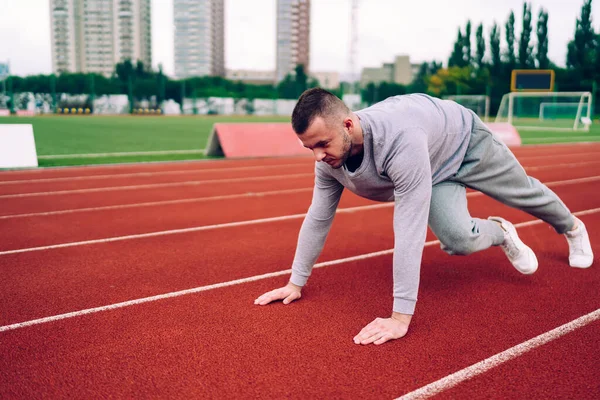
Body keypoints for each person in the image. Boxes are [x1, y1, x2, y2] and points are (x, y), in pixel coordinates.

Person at [254, 88, 594, 345]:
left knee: (524, 193)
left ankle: (573, 227)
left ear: (347, 124)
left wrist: (400, 316)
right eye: (309, 148)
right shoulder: (330, 161)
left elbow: (409, 230)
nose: (317, 156)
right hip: (431, 165)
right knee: (460, 240)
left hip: (463, 142)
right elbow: (318, 217)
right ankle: (502, 232)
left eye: (322, 144)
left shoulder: (398, 141)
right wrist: (295, 283)